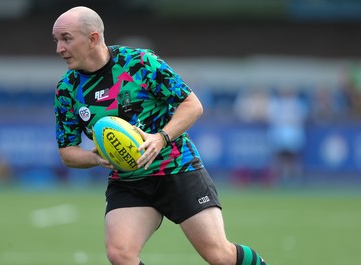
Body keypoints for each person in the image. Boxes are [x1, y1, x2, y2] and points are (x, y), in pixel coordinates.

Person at [52, 6, 269, 265]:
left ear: (93, 38)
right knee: (120, 254)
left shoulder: (140, 63)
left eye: (66, 38)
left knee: (219, 255)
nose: (59, 48)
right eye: (56, 40)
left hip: (176, 167)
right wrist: (96, 159)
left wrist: (160, 138)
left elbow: (192, 105)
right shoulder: (67, 89)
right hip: (129, 181)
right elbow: (67, 151)